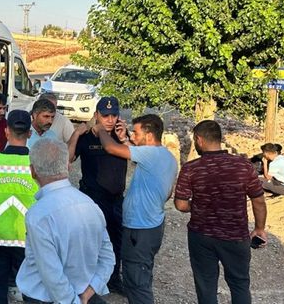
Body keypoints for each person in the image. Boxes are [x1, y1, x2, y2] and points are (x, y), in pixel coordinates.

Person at [174, 120, 267, 304]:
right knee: (239, 284)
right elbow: (259, 200)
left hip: (201, 236)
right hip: (236, 236)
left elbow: (181, 205)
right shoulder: (243, 166)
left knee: (206, 285)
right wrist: (259, 228)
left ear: (199, 139)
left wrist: (200, 204)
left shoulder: (190, 169)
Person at [16, 137, 114, 304]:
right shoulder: (91, 205)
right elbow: (108, 257)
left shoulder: (38, 216)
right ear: (68, 166)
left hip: (46, 298)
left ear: (32, 171)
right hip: (84, 294)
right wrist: (90, 291)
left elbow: (52, 274)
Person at [96, 114, 177, 304]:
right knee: (142, 274)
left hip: (139, 229)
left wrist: (100, 129)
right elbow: (167, 194)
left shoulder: (151, 154)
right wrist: (125, 139)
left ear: (149, 135)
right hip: (152, 226)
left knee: (135, 282)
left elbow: (110, 148)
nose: (133, 135)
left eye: (137, 132)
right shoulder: (168, 158)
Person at [67, 96, 127, 294]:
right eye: (105, 115)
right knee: (91, 241)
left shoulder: (122, 136)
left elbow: (140, 154)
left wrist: (126, 137)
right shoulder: (87, 138)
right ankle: (88, 282)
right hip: (93, 199)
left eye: (113, 115)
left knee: (116, 240)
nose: (109, 119)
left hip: (116, 199)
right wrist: (77, 133)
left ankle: (113, 279)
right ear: (96, 115)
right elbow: (68, 158)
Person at [0, 110, 39, 304]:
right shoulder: (36, 164)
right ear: (29, 133)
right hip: (28, 237)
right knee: (32, 290)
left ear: (6, 132)